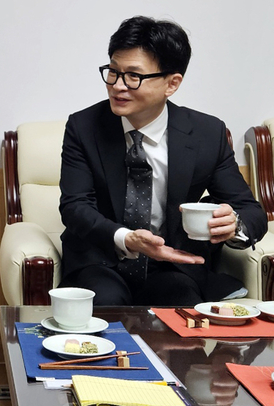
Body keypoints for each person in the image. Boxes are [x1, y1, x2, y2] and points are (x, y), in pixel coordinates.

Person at [58, 16, 267, 306]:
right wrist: (127, 238)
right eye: (113, 72)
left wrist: (234, 225)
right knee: (106, 304)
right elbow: (75, 207)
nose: (118, 86)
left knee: (180, 308)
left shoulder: (207, 133)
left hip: (173, 264)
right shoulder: (84, 126)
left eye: (134, 76)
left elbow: (251, 210)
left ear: (172, 83)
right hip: (102, 259)